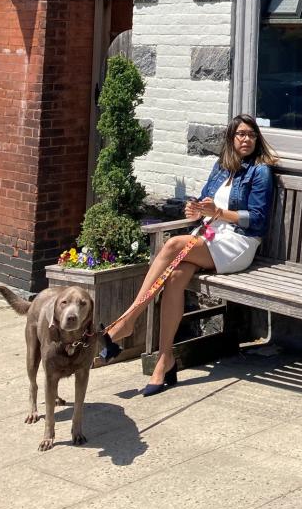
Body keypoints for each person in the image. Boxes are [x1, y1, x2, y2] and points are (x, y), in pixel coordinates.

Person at [100, 114, 277, 394]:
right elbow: (203, 203)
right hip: (210, 237)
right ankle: (165, 359)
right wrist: (195, 211)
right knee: (176, 278)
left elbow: (257, 220)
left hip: (239, 244)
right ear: (231, 138)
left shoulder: (260, 171)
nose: (246, 139)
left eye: (251, 135)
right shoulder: (221, 167)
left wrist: (217, 213)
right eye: (241, 134)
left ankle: (128, 320)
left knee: (171, 246)